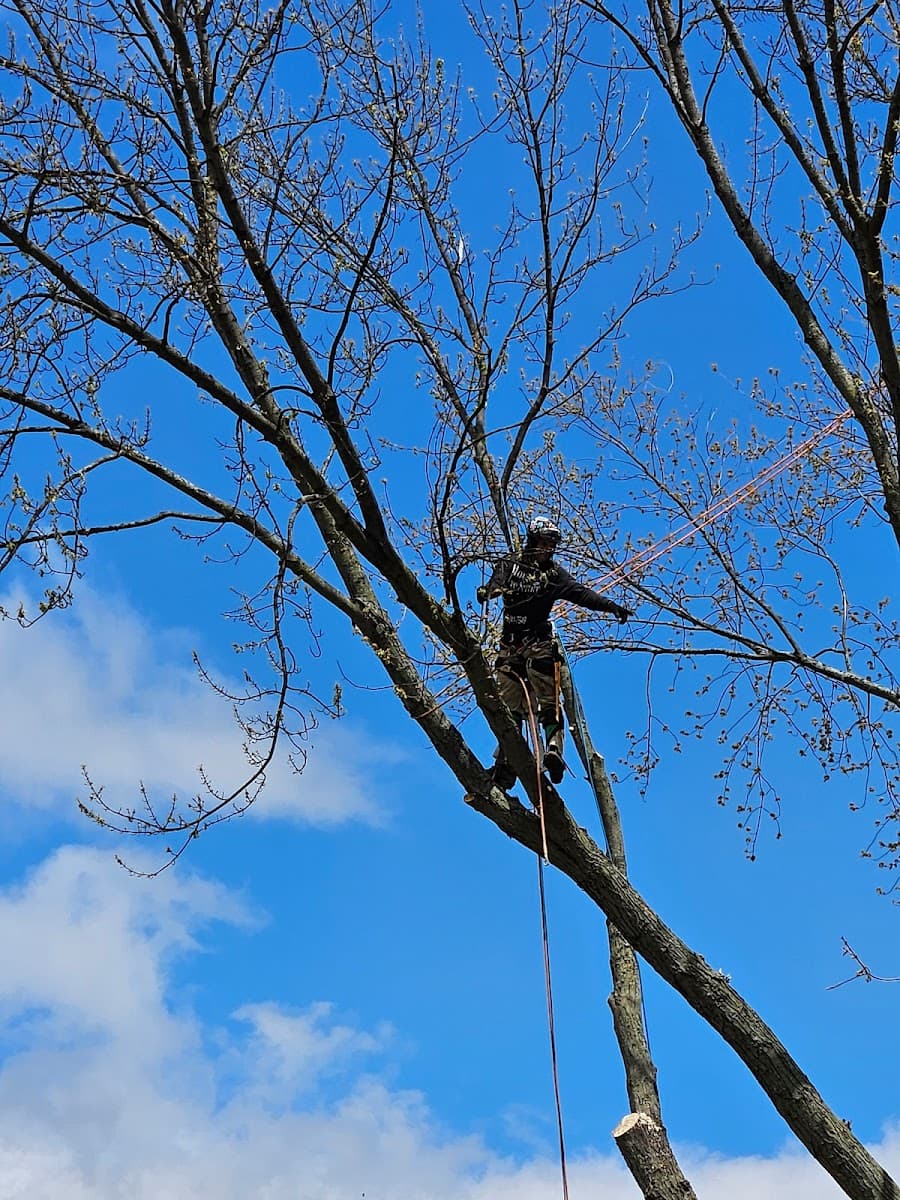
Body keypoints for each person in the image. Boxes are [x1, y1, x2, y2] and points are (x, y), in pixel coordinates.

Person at [477, 517, 631, 787]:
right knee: (508, 707)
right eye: (545, 542)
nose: (549, 549)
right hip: (510, 648)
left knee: (548, 703)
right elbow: (495, 584)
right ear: (533, 540)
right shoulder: (510, 564)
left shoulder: (554, 575)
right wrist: (488, 592)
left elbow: (582, 594)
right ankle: (507, 762)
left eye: (552, 544)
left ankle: (553, 752)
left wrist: (611, 607)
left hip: (539, 646)